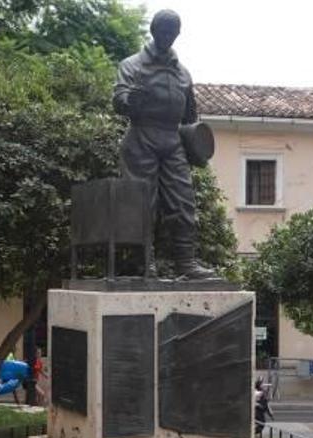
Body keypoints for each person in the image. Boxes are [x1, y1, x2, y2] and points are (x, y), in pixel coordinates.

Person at [112, 9, 214, 280]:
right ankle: (145, 262)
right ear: (154, 31)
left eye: (172, 32)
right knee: (143, 202)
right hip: (141, 138)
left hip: (172, 140)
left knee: (184, 200)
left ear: (178, 34)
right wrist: (129, 100)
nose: (167, 36)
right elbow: (119, 99)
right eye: (163, 31)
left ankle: (186, 263)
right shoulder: (132, 65)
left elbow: (191, 115)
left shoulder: (183, 74)